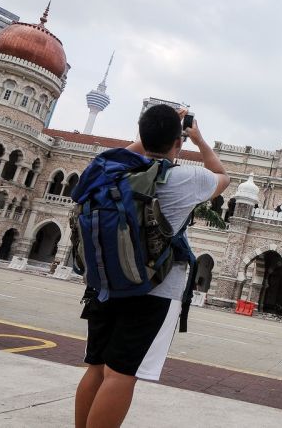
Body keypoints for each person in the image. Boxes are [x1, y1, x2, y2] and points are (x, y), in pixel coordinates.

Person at [75, 104, 229, 428]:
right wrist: (198, 139)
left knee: (96, 366)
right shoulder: (187, 178)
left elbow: (120, 155)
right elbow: (222, 176)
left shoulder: (110, 168)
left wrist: (151, 133)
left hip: (104, 282)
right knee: (121, 373)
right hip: (154, 288)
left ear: (141, 136)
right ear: (178, 142)